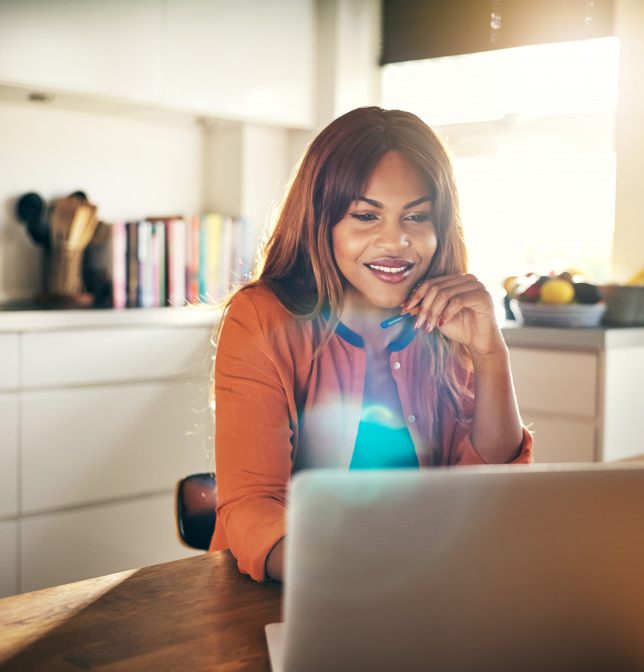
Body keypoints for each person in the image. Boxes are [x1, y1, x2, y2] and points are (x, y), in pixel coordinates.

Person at [209, 107, 533, 582]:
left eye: (417, 216)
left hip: (425, 586)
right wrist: (343, 574)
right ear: (322, 222)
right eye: (365, 215)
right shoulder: (260, 317)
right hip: (293, 591)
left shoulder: (446, 321)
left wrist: (491, 355)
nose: (395, 241)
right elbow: (253, 502)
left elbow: (491, 492)